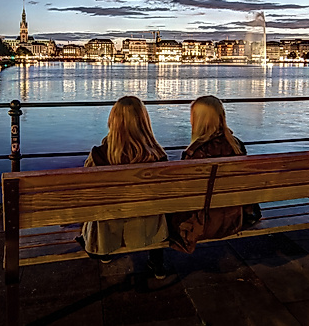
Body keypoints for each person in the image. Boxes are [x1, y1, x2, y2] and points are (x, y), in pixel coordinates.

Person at [75, 95, 169, 279]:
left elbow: (86, 191)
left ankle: (104, 252)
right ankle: (157, 262)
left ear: (113, 121)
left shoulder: (99, 156)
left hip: (107, 227)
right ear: (144, 121)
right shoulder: (158, 156)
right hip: (148, 227)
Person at [169, 95, 261, 254]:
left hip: (206, 224)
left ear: (197, 120)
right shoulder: (236, 145)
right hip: (233, 220)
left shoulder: (195, 153)